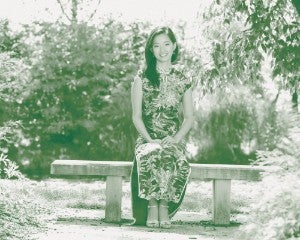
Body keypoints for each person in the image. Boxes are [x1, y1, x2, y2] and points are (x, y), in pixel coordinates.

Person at [130, 26, 194, 228]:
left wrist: (175, 139)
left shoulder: (183, 77)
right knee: (152, 152)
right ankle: (152, 206)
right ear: (151, 50)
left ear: (174, 46)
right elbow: (136, 117)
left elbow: (189, 117)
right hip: (147, 138)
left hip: (173, 139)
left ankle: (164, 206)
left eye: (167, 44)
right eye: (156, 45)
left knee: (169, 153)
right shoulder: (142, 78)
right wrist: (149, 139)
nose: (162, 49)